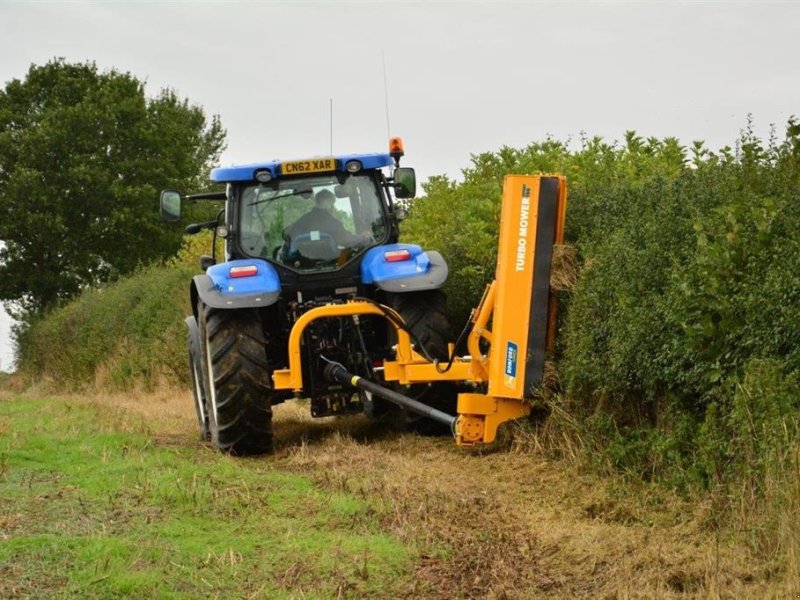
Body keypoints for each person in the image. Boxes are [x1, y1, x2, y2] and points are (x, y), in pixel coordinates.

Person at [284, 189, 369, 247]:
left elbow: (287, 234)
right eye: (333, 204)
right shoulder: (334, 224)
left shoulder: (303, 220)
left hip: (301, 265)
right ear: (331, 206)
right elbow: (345, 240)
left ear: (316, 203)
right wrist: (361, 237)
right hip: (331, 262)